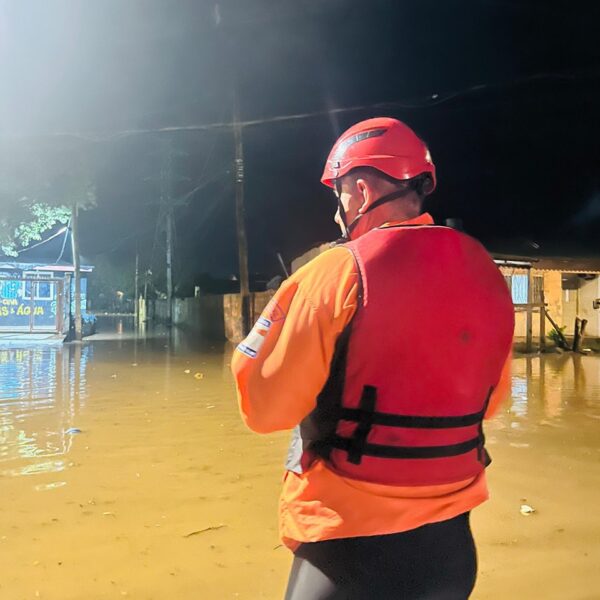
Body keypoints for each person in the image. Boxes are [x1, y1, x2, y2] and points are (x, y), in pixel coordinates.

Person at [231, 117, 514, 599]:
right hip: (450, 555)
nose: (337, 214)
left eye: (339, 195)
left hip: (348, 556)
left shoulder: (336, 271)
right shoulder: (486, 272)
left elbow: (264, 410)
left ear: (360, 192)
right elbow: (492, 403)